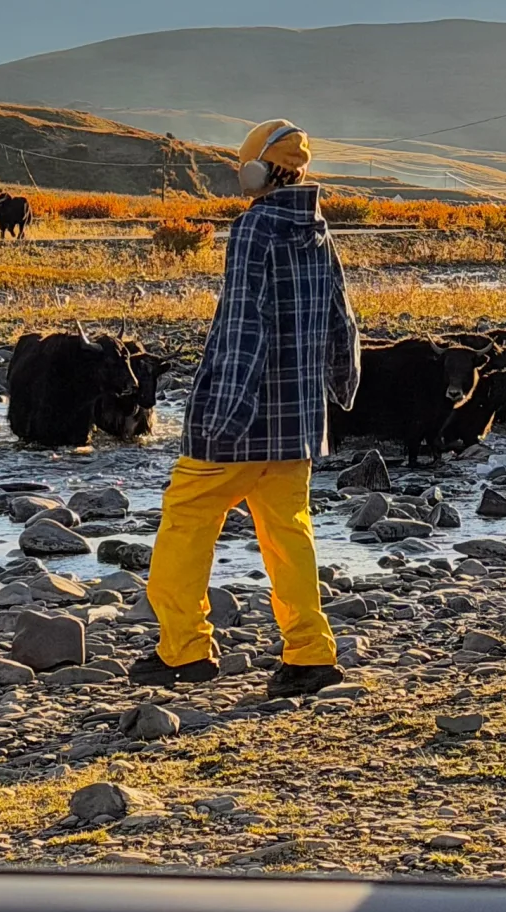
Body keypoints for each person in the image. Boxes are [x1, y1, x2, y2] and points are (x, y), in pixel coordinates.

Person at [130, 119, 360, 698]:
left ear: (259, 169)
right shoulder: (318, 227)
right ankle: (310, 655)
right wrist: (340, 386)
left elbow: (242, 330)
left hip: (243, 419)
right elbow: (342, 318)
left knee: (186, 521)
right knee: (290, 534)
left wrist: (220, 415)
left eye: (245, 164)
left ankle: (183, 650)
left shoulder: (255, 227)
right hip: (298, 423)